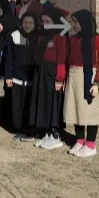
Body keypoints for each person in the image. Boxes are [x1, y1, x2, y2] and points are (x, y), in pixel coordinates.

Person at [64, 10, 99, 158]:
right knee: (77, 108)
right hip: (74, 76)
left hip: (89, 77)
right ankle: (80, 140)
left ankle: (90, 144)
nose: (73, 25)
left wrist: (96, 82)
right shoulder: (73, 38)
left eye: (76, 22)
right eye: (73, 22)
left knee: (90, 111)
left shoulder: (98, 40)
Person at [29, 8, 68, 150]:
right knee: (43, 102)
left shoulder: (60, 36)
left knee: (53, 103)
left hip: (53, 74)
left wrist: (59, 78)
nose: (44, 23)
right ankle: (48, 132)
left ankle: (56, 134)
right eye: (42, 21)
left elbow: (61, 59)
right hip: (41, 72)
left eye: (48, 21)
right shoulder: (42, 36)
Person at [5, 13, 39, 140]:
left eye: (30, 23)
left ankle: (30, 129)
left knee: (29, 105)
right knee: (17, 105)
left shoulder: (38, 37)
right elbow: (9, 57)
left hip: (32, 79)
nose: (27, 25)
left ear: (35, 24)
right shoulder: (14, 35)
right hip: (17, 78)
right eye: (25, 22)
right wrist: (8, 76)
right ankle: (18, 128)